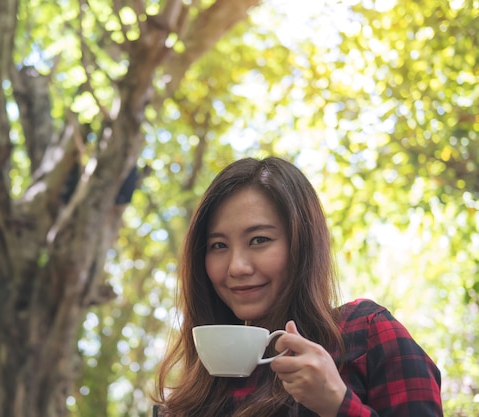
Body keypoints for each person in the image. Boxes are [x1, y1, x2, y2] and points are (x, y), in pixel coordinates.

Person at [154, 156, 442, 416]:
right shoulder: (195, 393)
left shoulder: (364, 333)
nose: (236, 267)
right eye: (218, 245)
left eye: (259, 240)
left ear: (302, 244)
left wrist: (336, 404)